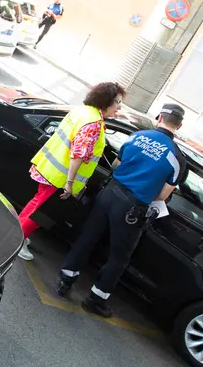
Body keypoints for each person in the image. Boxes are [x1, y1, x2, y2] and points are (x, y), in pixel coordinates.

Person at [55, 103, 188, 318]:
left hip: (109, 193)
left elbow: (116, 164)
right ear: (179, 126)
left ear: (158, 117)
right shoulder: (177, 158)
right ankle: (96, 299)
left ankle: (65, 281)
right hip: (132, 208)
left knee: (87, 238)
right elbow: (162, 196)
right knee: (119, 256)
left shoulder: (137, 136)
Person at [17, 82, 125, 261]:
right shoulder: (93, 123)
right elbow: (78, 155)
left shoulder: (83, 112)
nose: (119, 107)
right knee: (42, 210)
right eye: (117, 102)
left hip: (50, 168)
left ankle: (18, 231)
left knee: (37, 203)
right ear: (106, 101)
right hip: (60, 176)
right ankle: (18, 241)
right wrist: (70, 183)